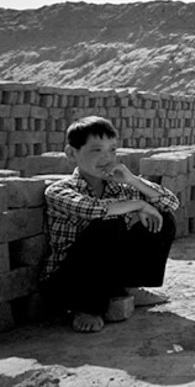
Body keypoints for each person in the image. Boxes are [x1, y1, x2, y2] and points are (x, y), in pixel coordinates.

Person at [41, 116, 180, 332]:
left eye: (112, 150)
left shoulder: (120, 188)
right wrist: (137, 205)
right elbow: (93, 209)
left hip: (105, 273)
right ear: (71, 154)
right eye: (96, 150)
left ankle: (128, 287)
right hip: (70, 280)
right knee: (108, 225)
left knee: (163, 218)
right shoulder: (59, 190)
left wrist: (133, 180)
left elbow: (170, 202)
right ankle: (86, 307)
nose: (106, 158)